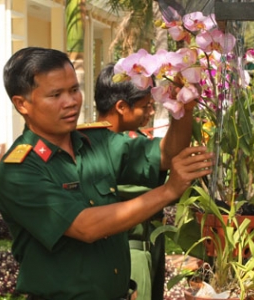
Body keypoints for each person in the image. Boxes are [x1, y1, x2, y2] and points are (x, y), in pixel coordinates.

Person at [0, 47, 213, 300]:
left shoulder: (96, 142)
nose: (71, 101)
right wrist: (168, 191)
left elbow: (164, 155)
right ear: (22, 104)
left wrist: (181, 103)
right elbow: (86, 226)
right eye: (55, 94)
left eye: (74, 89)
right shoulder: (19, 171)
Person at [94, 63, 163, 300]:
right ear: (122, 106)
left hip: (146, 246)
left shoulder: (131, 139)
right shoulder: (97, 148)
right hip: (131, 252)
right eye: (146, 106)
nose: (151, 112)